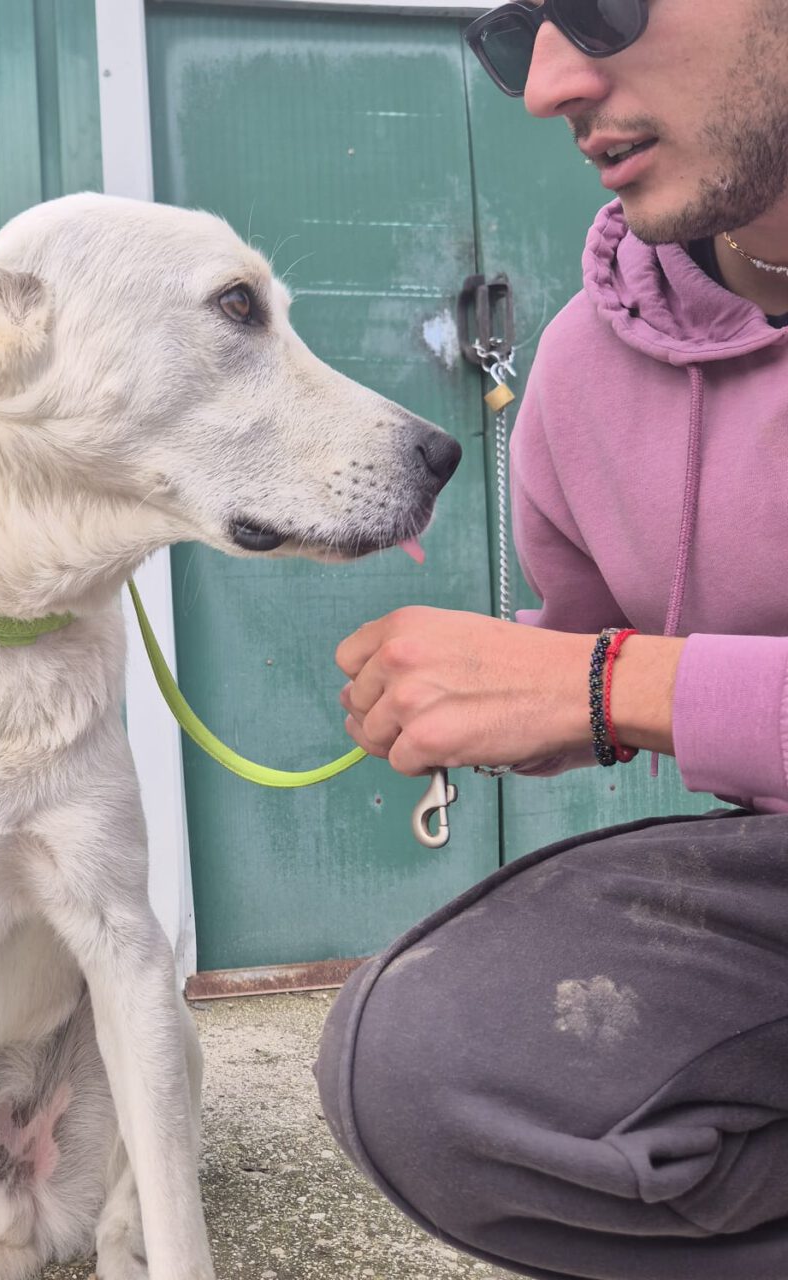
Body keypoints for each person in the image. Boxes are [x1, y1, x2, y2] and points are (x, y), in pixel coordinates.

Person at [316, 2, 788, 1277]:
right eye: (511, 29)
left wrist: (602, 681)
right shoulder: (585, 365)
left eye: (596, 1)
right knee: (429, 1060)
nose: (543, 84)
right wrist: (493, 688)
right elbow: (590, 658)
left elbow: (612, 675)